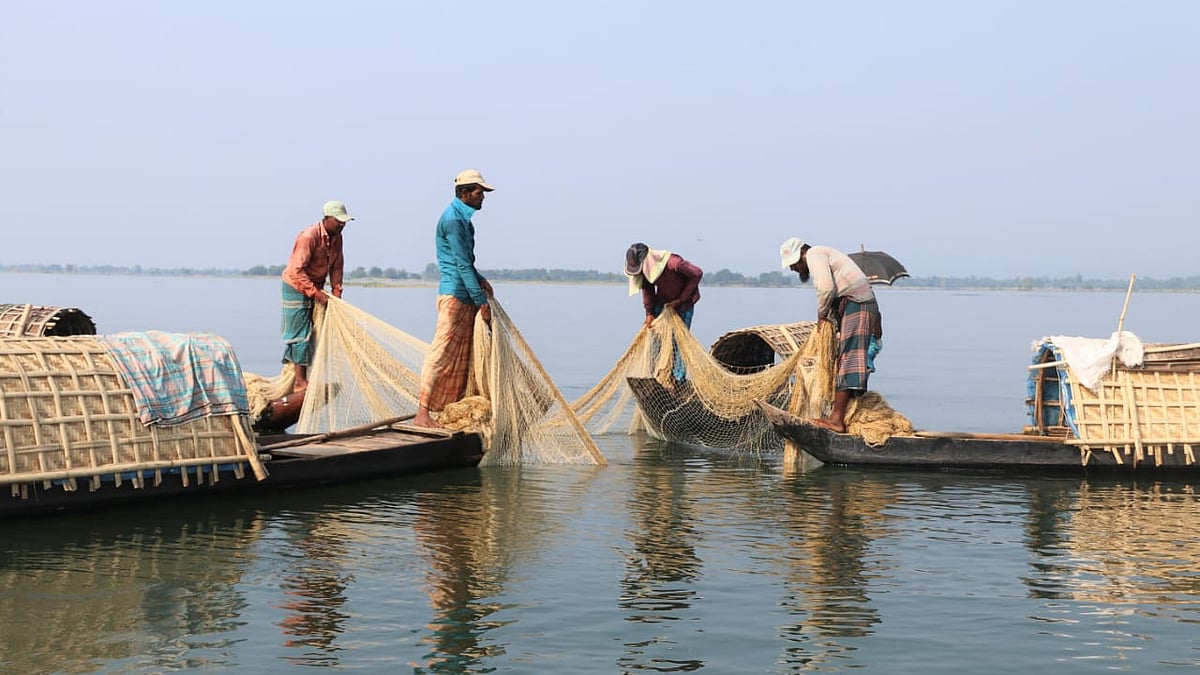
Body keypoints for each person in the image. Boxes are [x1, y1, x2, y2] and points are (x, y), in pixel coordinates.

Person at [412, 169, 496, 428]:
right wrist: (481, 300)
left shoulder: (464, 221)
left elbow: (467, 262)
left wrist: (481, 281)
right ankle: (422, 414)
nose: (483, 197)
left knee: (462, 357)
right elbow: (460, 265)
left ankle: (453, 407)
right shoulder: (453, 220)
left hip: (465, 295)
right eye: (480, 192)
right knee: (441, 353)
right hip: (454, 296)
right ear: (465, 193)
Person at [780, 236, 882, 433]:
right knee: (844, 360)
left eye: (793, 264)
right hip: (856, 304)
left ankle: (836, 420)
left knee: (849, 361)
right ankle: (846, 413)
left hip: (857, 304)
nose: (793, 269)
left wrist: (821, 313)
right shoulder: (822, 253)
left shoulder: (814, 254)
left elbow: (826, 288)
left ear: (802, 254)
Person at [281, 200, 352, 393]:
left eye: (344, 222)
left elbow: (337, 267)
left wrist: (336, 293)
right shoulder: (309, 237)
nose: (342, 225)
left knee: (312, 333)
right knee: (301, 334)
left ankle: (297, 377)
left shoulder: (337, 238)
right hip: (295, 285)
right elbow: (296, 270)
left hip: (315, 286)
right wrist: (316, 293)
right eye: (339, 221)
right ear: (327, 218)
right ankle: (299, 382)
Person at [624, 243, 703, 329]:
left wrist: (680, 299)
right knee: (655, 332)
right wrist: (649, 313)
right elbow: (647, 290)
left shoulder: (674, 263)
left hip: (685, 302)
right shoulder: (645, 271)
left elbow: (697, 274)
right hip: (663, 301)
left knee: (679, 334)